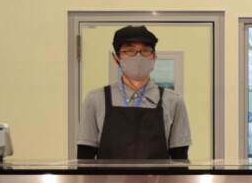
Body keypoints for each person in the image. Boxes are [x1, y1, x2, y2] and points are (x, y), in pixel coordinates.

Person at [77, 26, 191, 160]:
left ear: (154, 57)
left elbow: (180, 156)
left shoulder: (173, 101)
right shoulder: (95, 99)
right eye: (130, 51)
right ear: (116, 58)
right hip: (108, 174)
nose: (138, 56)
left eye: (145, 51)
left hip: (157, 174)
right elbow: (85, 155)